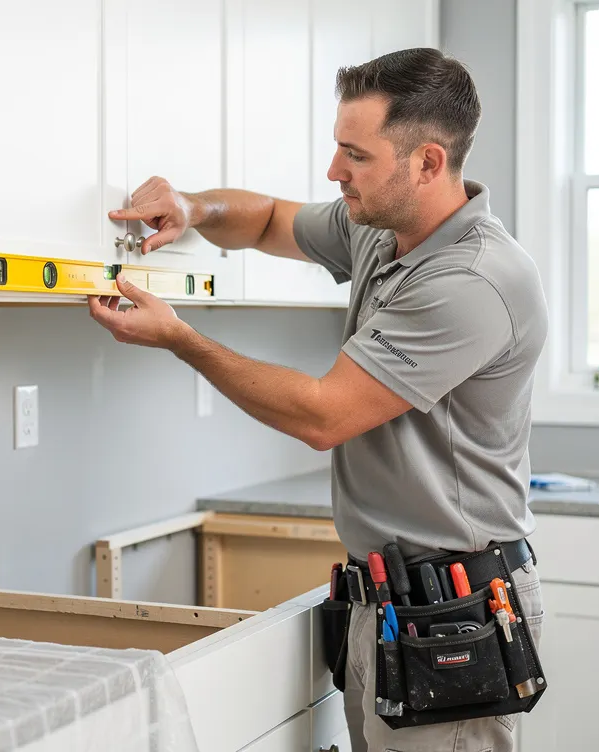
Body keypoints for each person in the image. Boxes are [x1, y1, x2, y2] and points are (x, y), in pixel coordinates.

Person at [86, 47, 547, 752]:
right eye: (338, 148)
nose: (335, 172)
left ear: (426, 162)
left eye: (354, 155)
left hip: (453, 614)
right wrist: (193, 207)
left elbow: (323, 415)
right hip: (386, 601)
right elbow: (270, 219)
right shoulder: (380, 231)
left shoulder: (473, 279)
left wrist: (182, 340)